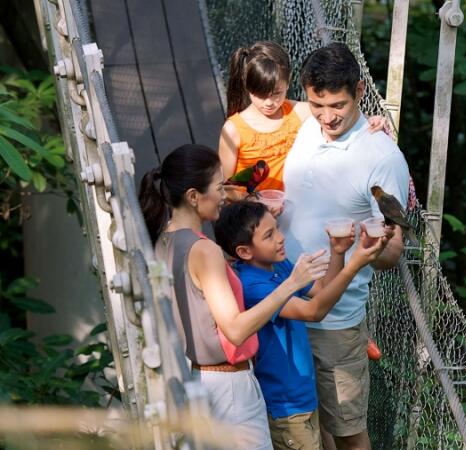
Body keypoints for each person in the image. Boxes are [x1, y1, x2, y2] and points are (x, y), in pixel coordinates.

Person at [139, 144, 331, 450]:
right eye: (218, 187)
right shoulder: (205, 250)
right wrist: (291, 283)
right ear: (193, 197)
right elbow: (236, 329)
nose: (225, 193)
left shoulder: (164, 239)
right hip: (230, 390)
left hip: (197, 380)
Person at [278, 43, 410, 450]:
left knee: (347, 431)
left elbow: (393, 252)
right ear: (305, 93)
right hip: (283, 303)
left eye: (338, 104)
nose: (328, 116)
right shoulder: (304, 123)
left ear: (359, 93)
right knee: (305, 426)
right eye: (318, 104)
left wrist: (373, 245)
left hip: (334, 320)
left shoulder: (382, 156)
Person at [213, 201, 384, 450]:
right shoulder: (252, 285)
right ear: (245, 252)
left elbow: (322, 289)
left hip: (303, 395)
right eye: (269, 235)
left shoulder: (276, 264)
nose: (281, 238)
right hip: (285, 406)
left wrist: (337, 252)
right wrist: (355, 264)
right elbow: (313, 312)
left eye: (277, 229)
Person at [218, 41, 386, 203]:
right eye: (260, 94)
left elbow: (341, 113)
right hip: (251, 219)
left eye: (276, 93)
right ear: (247, 87)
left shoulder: (298, 112)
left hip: (292, 211)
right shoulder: (234, 130)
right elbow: (224, 188)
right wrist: (255, 202)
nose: (269, 102)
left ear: (288, 81)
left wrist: (370, 119)